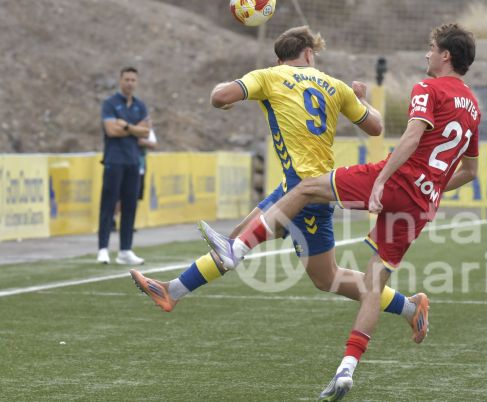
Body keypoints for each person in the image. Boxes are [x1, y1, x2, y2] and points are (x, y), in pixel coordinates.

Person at [199, 23, 480, 400]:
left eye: (431, 48)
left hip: (396, 181)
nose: (426, 54)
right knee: (373, 283)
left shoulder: (427, 87)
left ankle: (237, 249)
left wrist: (383, 181)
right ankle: (347, 369)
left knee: (307, 188)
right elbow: (470, 171)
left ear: (446, 55)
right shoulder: (475, 106)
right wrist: (432, 188)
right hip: (422, 202)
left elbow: (412, 136)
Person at [129, 26, 427, 341]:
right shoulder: (334, 85)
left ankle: (410, 307)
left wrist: (227, 99)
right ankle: (171, 291)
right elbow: (376, 127)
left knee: (318, 274)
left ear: (278, 58)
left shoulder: (269, 76)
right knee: (240, 244)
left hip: (307, 193)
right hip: (304, 186)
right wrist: (363, 101)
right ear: (309, 53)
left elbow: (218, 96)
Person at [97, 67, 150, 265]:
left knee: (130, 205)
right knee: (108, 204)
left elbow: (146, 133)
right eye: (126, 79)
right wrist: (135, 130)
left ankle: (125, 250)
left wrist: (127, 126)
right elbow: (111, 130)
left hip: (133, 161)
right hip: (114, 159)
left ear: (136, 82)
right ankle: (103, 248)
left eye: (133, 79)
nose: (129, 83)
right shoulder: (110, 104)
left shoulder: (140, 105)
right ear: (120, 80)